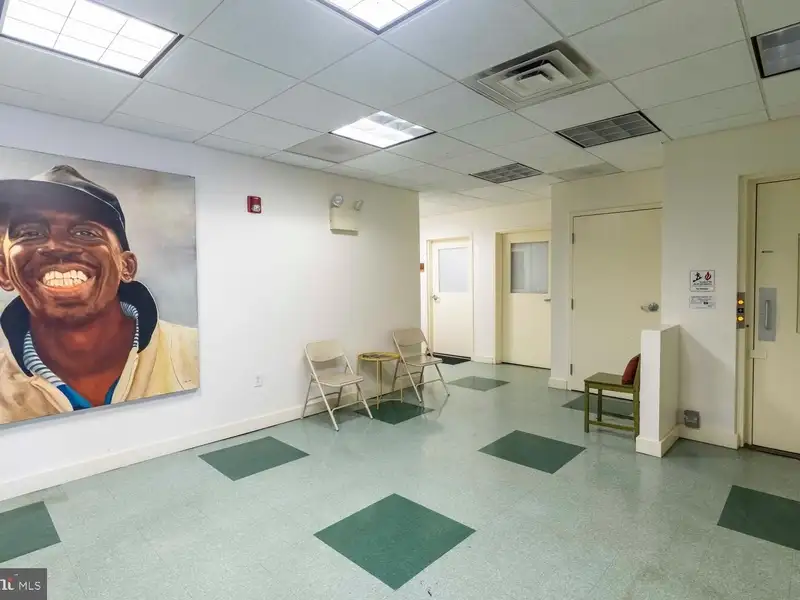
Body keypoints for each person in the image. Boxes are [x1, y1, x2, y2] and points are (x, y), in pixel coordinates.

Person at [0, 165, 198, 425]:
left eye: (85, 233)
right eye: (30, 233)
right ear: (4, 271)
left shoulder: (194, 353)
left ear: (127, 267)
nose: (57, 247)